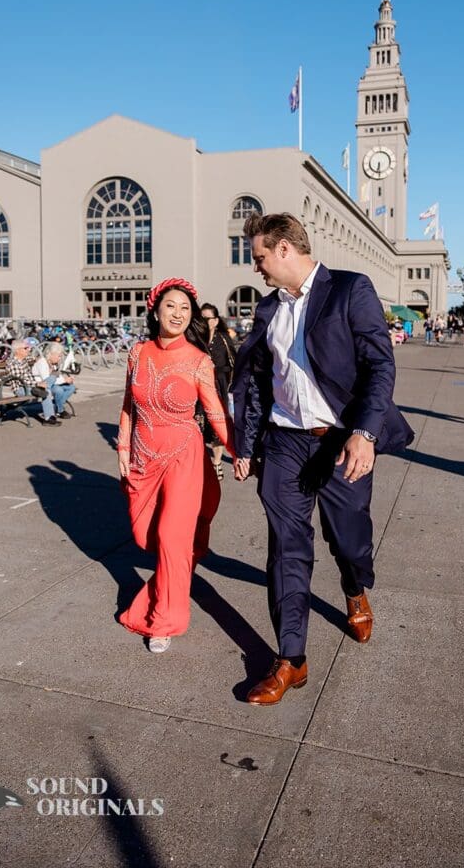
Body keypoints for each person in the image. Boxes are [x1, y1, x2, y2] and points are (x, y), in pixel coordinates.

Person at [232, 212, 413, 705]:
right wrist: (245, 445)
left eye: (261, 256)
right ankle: (292, 658)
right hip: (286, 442)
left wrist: (364, 432)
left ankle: (355, 587)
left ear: (285, 249)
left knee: (350, 540)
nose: (257, 267)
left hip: (339, 441)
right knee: (287, 546)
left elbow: (380, 364)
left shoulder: (350, 290)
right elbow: (254, 383)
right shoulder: (268, 310)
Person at [116, 278, 236, 654]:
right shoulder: (138, 353)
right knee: (144, 537)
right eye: (172, 306)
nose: (179, 314)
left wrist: (239, 450)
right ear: (156, 310)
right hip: (142, 457)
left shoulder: (199, 361)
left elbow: (215, 410)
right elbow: (128, 405)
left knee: (171, 538)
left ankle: (164, 620)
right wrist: (122, 447)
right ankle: (178, 570)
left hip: (185, 457)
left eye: (185, 308)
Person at [200, 303, 236, 480]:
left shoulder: (223, 339)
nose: (204, 321)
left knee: (217, 425)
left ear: (215, 320)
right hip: (198, 388)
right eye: (201, 318)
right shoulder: (195, 339)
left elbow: (234, 362)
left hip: (219, 387)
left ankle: (217, 461)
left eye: (207, 318)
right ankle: (200, 462)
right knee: (199, 424)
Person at [4, 339, 60, 425]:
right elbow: (21, 379)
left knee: (52, 377)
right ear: (18, 350)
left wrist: (47, 362)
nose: (29, 349)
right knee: (46, 391)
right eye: (26, 348)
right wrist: (37, 384)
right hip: (21, 388)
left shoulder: (25, 359)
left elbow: (37, 359)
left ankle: (41, 390)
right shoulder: (13, 363)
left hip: (31, 386)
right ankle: (48, 418)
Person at [32, 342, 76, 420]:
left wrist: (66, 380)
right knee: (59, 390)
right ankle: (60, 410)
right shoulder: (42, 362)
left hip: (51, 384)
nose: (60, 358)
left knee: (71, 387)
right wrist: (64, 380)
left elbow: (57, 376)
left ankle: (57, 407)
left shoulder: (53, 364)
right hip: (42, 386)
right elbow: (47, 379)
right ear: (51, 354)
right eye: (58, 356)